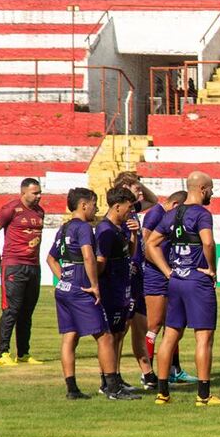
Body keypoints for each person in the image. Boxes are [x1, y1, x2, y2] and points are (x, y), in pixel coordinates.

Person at [145, 171, 220, 406]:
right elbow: (208, 242)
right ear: (202, 189)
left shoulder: (173, 214)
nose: (212, 192)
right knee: (203, 337)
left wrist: (168, 271)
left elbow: (151, 243)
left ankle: (162, 393)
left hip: (176, 280)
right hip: (196, 280)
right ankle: (203, 395)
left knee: (170, 335)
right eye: (210, 189)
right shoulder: (202, 214)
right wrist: (212, 268)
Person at [46, 187, 136, 400]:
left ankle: (72, 389)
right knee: (104, 336)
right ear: (83, 205)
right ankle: (113, 388)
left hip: (65, 289)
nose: (96, 208)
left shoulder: (64, 228)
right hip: (81, 288)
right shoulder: (84, 228)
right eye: (94, 204)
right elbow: (88, 257)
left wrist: (64, 279)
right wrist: (94, 285)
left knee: (70, 337)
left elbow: (50, 258)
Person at [0, 177, 45, 366]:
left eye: (39, 192)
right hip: (14, 265)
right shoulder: (11, 208)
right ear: (24, 192)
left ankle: (23, 353)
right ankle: (3, 353)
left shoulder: (39, 212)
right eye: (35, 192)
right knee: (11, 310)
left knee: (27, 312)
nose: (39, 196)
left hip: (34, 266)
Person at [111, 171, 159, 390]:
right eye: (135, 187)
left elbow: (154, 200)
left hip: (139, 275)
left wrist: (138, 184)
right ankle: (113, 374)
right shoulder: (117, 217)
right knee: (121, 329)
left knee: (141, 325)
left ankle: (148, 374)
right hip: (126, 276)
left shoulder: (132, 211)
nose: (140, 191)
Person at [141, 190, 193, 387]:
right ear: (177, 205)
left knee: (173, 324)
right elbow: (146, 246)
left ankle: (173, 370)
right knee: (154, 325)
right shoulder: (156, 213)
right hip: (156, 276)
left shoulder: (169, 216)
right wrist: (164, 268)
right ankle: (148, 374)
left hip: (166, 273)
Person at [95, 187, 143, 395]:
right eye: (129, 207)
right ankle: (108, 383)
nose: (130, 212)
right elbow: (100, 264)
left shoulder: (119, 228)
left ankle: (114, 378)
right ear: (117, 206)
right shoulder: (105, 231)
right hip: (110, 290)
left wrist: (134, 234)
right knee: (111, 337)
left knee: (117, 334)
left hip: (121, 288)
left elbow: (129, 254)